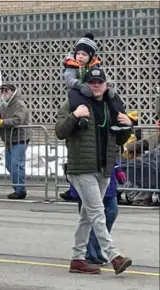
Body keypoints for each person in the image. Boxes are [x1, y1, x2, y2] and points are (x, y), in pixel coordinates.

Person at [55, 67, 133, 275]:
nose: (96, 86)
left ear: (106, 85)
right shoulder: (72, 103)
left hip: (103, 167)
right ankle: (114, 256)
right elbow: (60, 131)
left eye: (100, 82)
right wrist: (74, 115)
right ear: (86, 85)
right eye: (92, 82)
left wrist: (128, 126)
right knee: (98, 212)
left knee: (87, 216)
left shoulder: (111, 106)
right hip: (82, 167)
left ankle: (78, 258)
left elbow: (120, 140)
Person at [63, 32, 126, 131]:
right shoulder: (71, 66)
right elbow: (68, 79)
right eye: (78, 54)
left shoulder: (94, 66)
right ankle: (82, 118)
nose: (80, 56)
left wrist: (109, 86)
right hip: (78, 90)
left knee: (114, 99)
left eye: (84, 54)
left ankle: (118, 118)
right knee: (75, 98)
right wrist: (81, 85)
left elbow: (104, 76)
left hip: (93, 90)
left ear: (90, 56)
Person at [70, 164, 121, 265]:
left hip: (104, 170)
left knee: (89, 217)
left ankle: (79, 256)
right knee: (97, 213)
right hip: (85, 170)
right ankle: (112, 254)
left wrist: (116, 167)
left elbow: (113, 149)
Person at [0, 84, 31, 199]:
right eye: (1, 90)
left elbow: (18, 120)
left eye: (6, 90)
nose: (3, 93)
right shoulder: (2, 105)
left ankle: (20, 190)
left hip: (20, 138)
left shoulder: (19, 105)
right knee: (9, 164)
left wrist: (2, 122)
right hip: (8, 139)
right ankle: (18, 187)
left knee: (16, 164)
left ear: (12, 92)